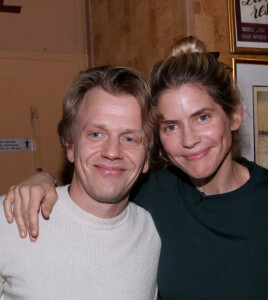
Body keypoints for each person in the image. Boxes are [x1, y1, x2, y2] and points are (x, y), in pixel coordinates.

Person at [3, 36, 268, 299]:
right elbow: (94, 191)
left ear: (235, 116)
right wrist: (44, 180)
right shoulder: (154, 195)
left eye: (203, 117)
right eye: (171, 126)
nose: (189, 140)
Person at [0, 66, 161, 299]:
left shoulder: (153, 232)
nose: (112, 152)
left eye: (129, 138)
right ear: (70, 146)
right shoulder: (11, 220)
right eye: (96, 134)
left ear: (147, 157)